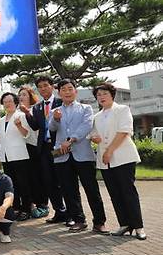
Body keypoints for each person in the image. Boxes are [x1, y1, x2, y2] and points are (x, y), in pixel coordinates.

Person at [49, 79, 109, 233]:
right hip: (62, 156)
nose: (67, 92)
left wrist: (72, 139)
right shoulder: (54, 111)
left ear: (75, 91)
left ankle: (99, 221)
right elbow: (51, 128)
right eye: (63, 89)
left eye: (70, 89)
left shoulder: (86, 108)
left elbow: (87, 126)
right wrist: (55, 118)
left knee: (91, 189)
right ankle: (78, 219)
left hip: (83, 154)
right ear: (59, 93)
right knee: (69, 190)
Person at [91, 83, 146, 240]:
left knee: (128, 192)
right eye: (98, 95)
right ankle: (124, 224)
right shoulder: (97, 116)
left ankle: (138, 226)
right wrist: (95, 138)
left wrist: (109, 151)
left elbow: (124, 131)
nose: (101, 97)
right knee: (114, 193)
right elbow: (94, 135)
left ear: (112, 95)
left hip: (123, 157)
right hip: (105, 161)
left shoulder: (122, 109)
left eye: (104, 94)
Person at [0, 92, 33, 221]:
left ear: (16, 102)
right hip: (5, 157)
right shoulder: (2, 120)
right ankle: (15, 208)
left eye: (10, 101)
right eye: (5, 102)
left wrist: (19, 125)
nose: (8, 104)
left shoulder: (21, 116)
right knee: (12, 184)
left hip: (19, 155)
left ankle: (26, 209)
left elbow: (27, 134)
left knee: (24, 184)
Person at [34, 75, 68, 224]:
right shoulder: (37, 107)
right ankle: (59, 211)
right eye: (40, 86)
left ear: (52, 86)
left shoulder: (62, 102)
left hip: (58, 146)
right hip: (44, 148)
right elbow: (37, 126)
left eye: (45, 85)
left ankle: (71, 212)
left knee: (62, 178)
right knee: (49, 181)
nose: (43, 89)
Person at [18, 85, 47, 218]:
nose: (21, 97)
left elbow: (36, 129)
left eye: (24, 94)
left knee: (38, 177)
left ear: (30, 96)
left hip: (34, 147)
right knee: (27, 178)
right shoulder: (16, 111)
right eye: (20, 95)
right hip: (21, 148)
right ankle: (30, 205)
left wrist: (27, 113)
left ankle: (42, 204)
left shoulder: (35, 110)